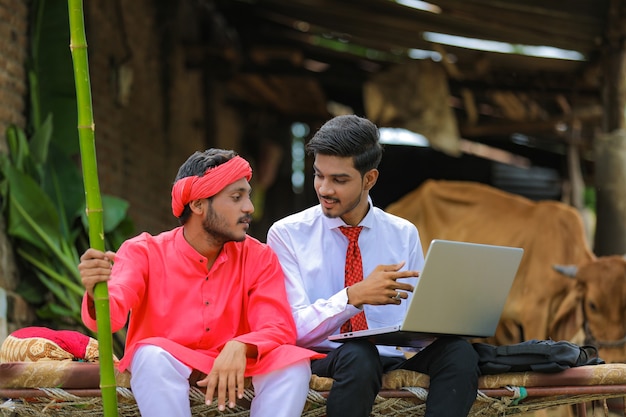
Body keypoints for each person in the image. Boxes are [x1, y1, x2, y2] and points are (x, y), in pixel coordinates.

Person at [78, 149, 322, 417]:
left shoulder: (259, 256)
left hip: (239, 363)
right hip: (168, 364)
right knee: (150, 355)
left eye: (248, 196)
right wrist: (94, 291)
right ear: (197, 205)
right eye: (237, 197)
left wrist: (240, 345)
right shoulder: (143, 251)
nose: (249, 208)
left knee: (293, 364)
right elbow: (110, 320)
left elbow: (277, 326)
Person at [266, 115, 480, 417]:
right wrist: (353, 297)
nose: (324, 189)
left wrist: (450, 319)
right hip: (326, 356)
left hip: (391, 355)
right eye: (318, 175)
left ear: (370, 179)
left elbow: (415, 318)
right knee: (358, 354)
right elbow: (290, 329)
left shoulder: (402, 232)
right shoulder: (287, 234)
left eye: (339, 180)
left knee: (459, 353)